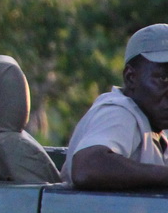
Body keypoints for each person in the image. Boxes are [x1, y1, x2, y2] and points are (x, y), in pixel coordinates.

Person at [62, 25, 168, 190]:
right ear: (130, 77)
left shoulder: (153, 124)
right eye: (164, 78)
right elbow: (88, 167)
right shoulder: (119, 112)